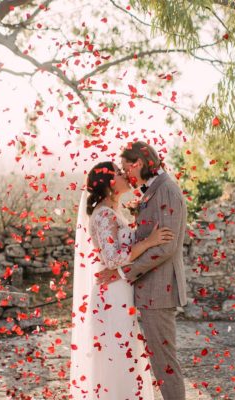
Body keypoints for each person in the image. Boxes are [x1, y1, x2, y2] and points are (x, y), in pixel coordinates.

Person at [69, 161, 174, 400]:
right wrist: (149, 242)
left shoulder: (112, 210)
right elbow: (113, 258)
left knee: (122, 353)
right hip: (111, 294)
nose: (124, 174)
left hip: (119, 291)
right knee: (115, 355)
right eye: (118, 172)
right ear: (108, 183)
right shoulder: (104, 214)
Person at [97, 141, 188, 400]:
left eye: (126, 169)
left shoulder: (166, 191)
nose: (126, 175)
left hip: (160, 290)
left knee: (165, 363)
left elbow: (166, 247)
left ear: (137, 164)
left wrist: (125, 273)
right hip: (152, 290)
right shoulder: (154, 191)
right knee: (161, 361)